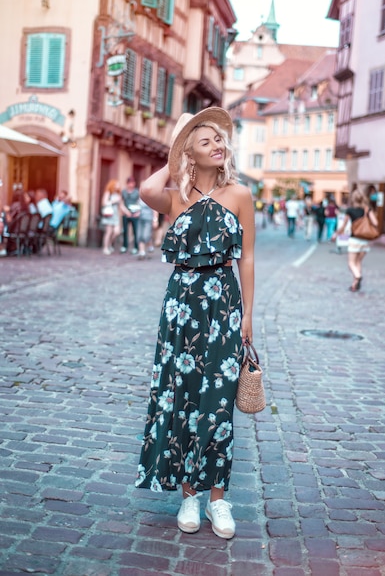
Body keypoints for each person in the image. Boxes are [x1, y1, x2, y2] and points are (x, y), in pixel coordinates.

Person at [135, 107, 255, 540]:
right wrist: (176, 150)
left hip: (223, 302)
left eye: (219, 140)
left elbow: (250, 258)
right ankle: (189, 495)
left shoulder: (240, 195)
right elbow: (146, 189)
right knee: (183, 398)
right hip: (181, 306)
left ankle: (218, 500)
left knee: (219, 404)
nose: (218, 146)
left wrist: (249, 315)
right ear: (190, 153)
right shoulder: (175, 197)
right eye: (206, 142)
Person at [334, 187, 378, 292]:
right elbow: (376, 223)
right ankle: (354, 284)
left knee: (351, 263)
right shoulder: (367, 209)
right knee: (358, 262)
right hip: (365, 241)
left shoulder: (350, 210)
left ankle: (357, 276)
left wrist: (336, 234)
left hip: (354, 240)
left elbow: (344, 225)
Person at [120, 176, 140, 254]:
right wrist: (125, 211)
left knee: (135, 231)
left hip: (135, 213)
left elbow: (139, 202)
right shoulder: (124, 192)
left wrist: (138, 212)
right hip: (126, 213)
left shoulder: (137, 192)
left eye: (132, 183)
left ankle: (136, 247)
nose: (131, 185)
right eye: (129, 183)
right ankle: (124, 246)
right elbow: (121, 202)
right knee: (125, 230)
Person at [101, 179, 122, 255]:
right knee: (108, 232)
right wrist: (114, 201)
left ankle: (109, 243)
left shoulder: (118, 194)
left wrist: (126, 212)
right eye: (117, 184)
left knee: (117, 232)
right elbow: (104, 203)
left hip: (116, 215)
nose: (118, 186)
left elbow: (121, 206)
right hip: (109, 214)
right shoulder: (108, 193)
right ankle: (105, 248)